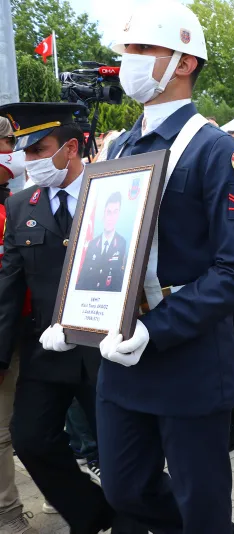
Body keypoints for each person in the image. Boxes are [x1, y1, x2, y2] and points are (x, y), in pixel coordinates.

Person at [54, 3, 234, 533]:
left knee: (202, 503)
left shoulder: (217, 152)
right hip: (120, 354)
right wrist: (75, 310)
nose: (130, 62)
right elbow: (104, 244)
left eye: (143, 49)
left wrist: (154, 327)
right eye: (127, 50)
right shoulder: (121, 145)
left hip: (186, 354)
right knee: (126, 487)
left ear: (185, 61)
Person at [0, 103, 137, 533]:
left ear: (71, 148)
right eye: (27, 151)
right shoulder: (23, 205)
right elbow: (9, 288)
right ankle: (91, 513)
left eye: (41, 149)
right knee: (30, 440)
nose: (32, 161)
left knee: (122, 454)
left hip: (105, 352)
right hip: (47, 351)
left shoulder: (115, 194)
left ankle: (134, 521)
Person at [0, 117, 37, 534]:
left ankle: (58, 495)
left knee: (38, 427)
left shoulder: (19, 200)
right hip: (6, 334)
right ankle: (7, 512)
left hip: (34, 326)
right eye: (10, 144)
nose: (16, 154)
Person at [76, 192, 128, 292]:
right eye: (108, 212)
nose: (111, 217)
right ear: (104, 213)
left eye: (115, 212)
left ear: (118, 215)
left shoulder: (122, 243)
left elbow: (120, 281)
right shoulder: (92, 244)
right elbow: (83, 279)